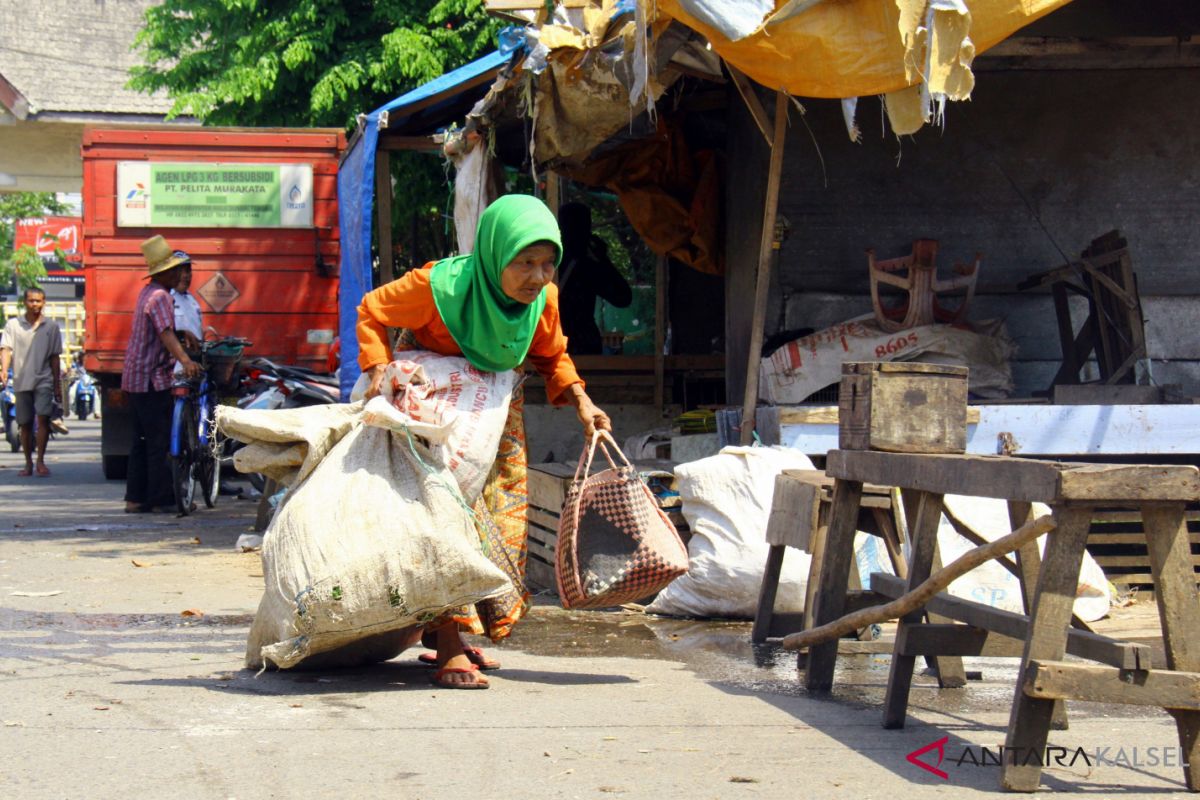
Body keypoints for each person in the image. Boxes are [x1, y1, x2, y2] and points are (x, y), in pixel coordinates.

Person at [357, 194, 611, 689]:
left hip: (494, 416)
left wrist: (583, 401)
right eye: (526, 263)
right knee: (442, 516)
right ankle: (449, 640)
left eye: (548, 264)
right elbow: (372, 310)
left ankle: (455, 629)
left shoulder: (543, 300)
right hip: (432, 416)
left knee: (498, 521)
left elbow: (551, 354)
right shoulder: (437, 287)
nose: (539, 277)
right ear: (496, 254)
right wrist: (375, 368)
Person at [122, 236, 201, 513]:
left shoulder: (149, 293)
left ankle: (136, 499)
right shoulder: (160, 297)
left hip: (136, 377)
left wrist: (183, 334)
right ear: (164, 273)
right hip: (149, 378)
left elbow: (164, 331)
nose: (181, 273)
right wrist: (186, 360)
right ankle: (161, 498)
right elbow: (165, 334)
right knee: (158, 441)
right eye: (176, 269)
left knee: (141, 441)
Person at [0, 287, 63, 477]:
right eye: (31, 301)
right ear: (24, 302)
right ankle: (27, 463)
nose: (35, 305)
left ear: (44, 302)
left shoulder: (51, 327)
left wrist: (57, 383)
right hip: (20, 380)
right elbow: (6, 349)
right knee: (25, 424)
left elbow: (55, 357)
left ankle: (40, 462)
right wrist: (4, 370)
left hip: (43, 380)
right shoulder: (13, 325)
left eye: (38, 301)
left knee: (43, 419)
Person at [555, 202, 633, 355]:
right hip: (583, 345)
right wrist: (603, 260)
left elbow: (623, 298)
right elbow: (623, 297)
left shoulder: (548, 262)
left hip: (557, 344)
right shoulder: (587, 266)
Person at [171, 262, 203, 351]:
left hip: (194, 361)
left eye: (188, 271)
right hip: (175, 362)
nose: (186, 276)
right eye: (181, 271)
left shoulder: (192, 300)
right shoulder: (164, 298)